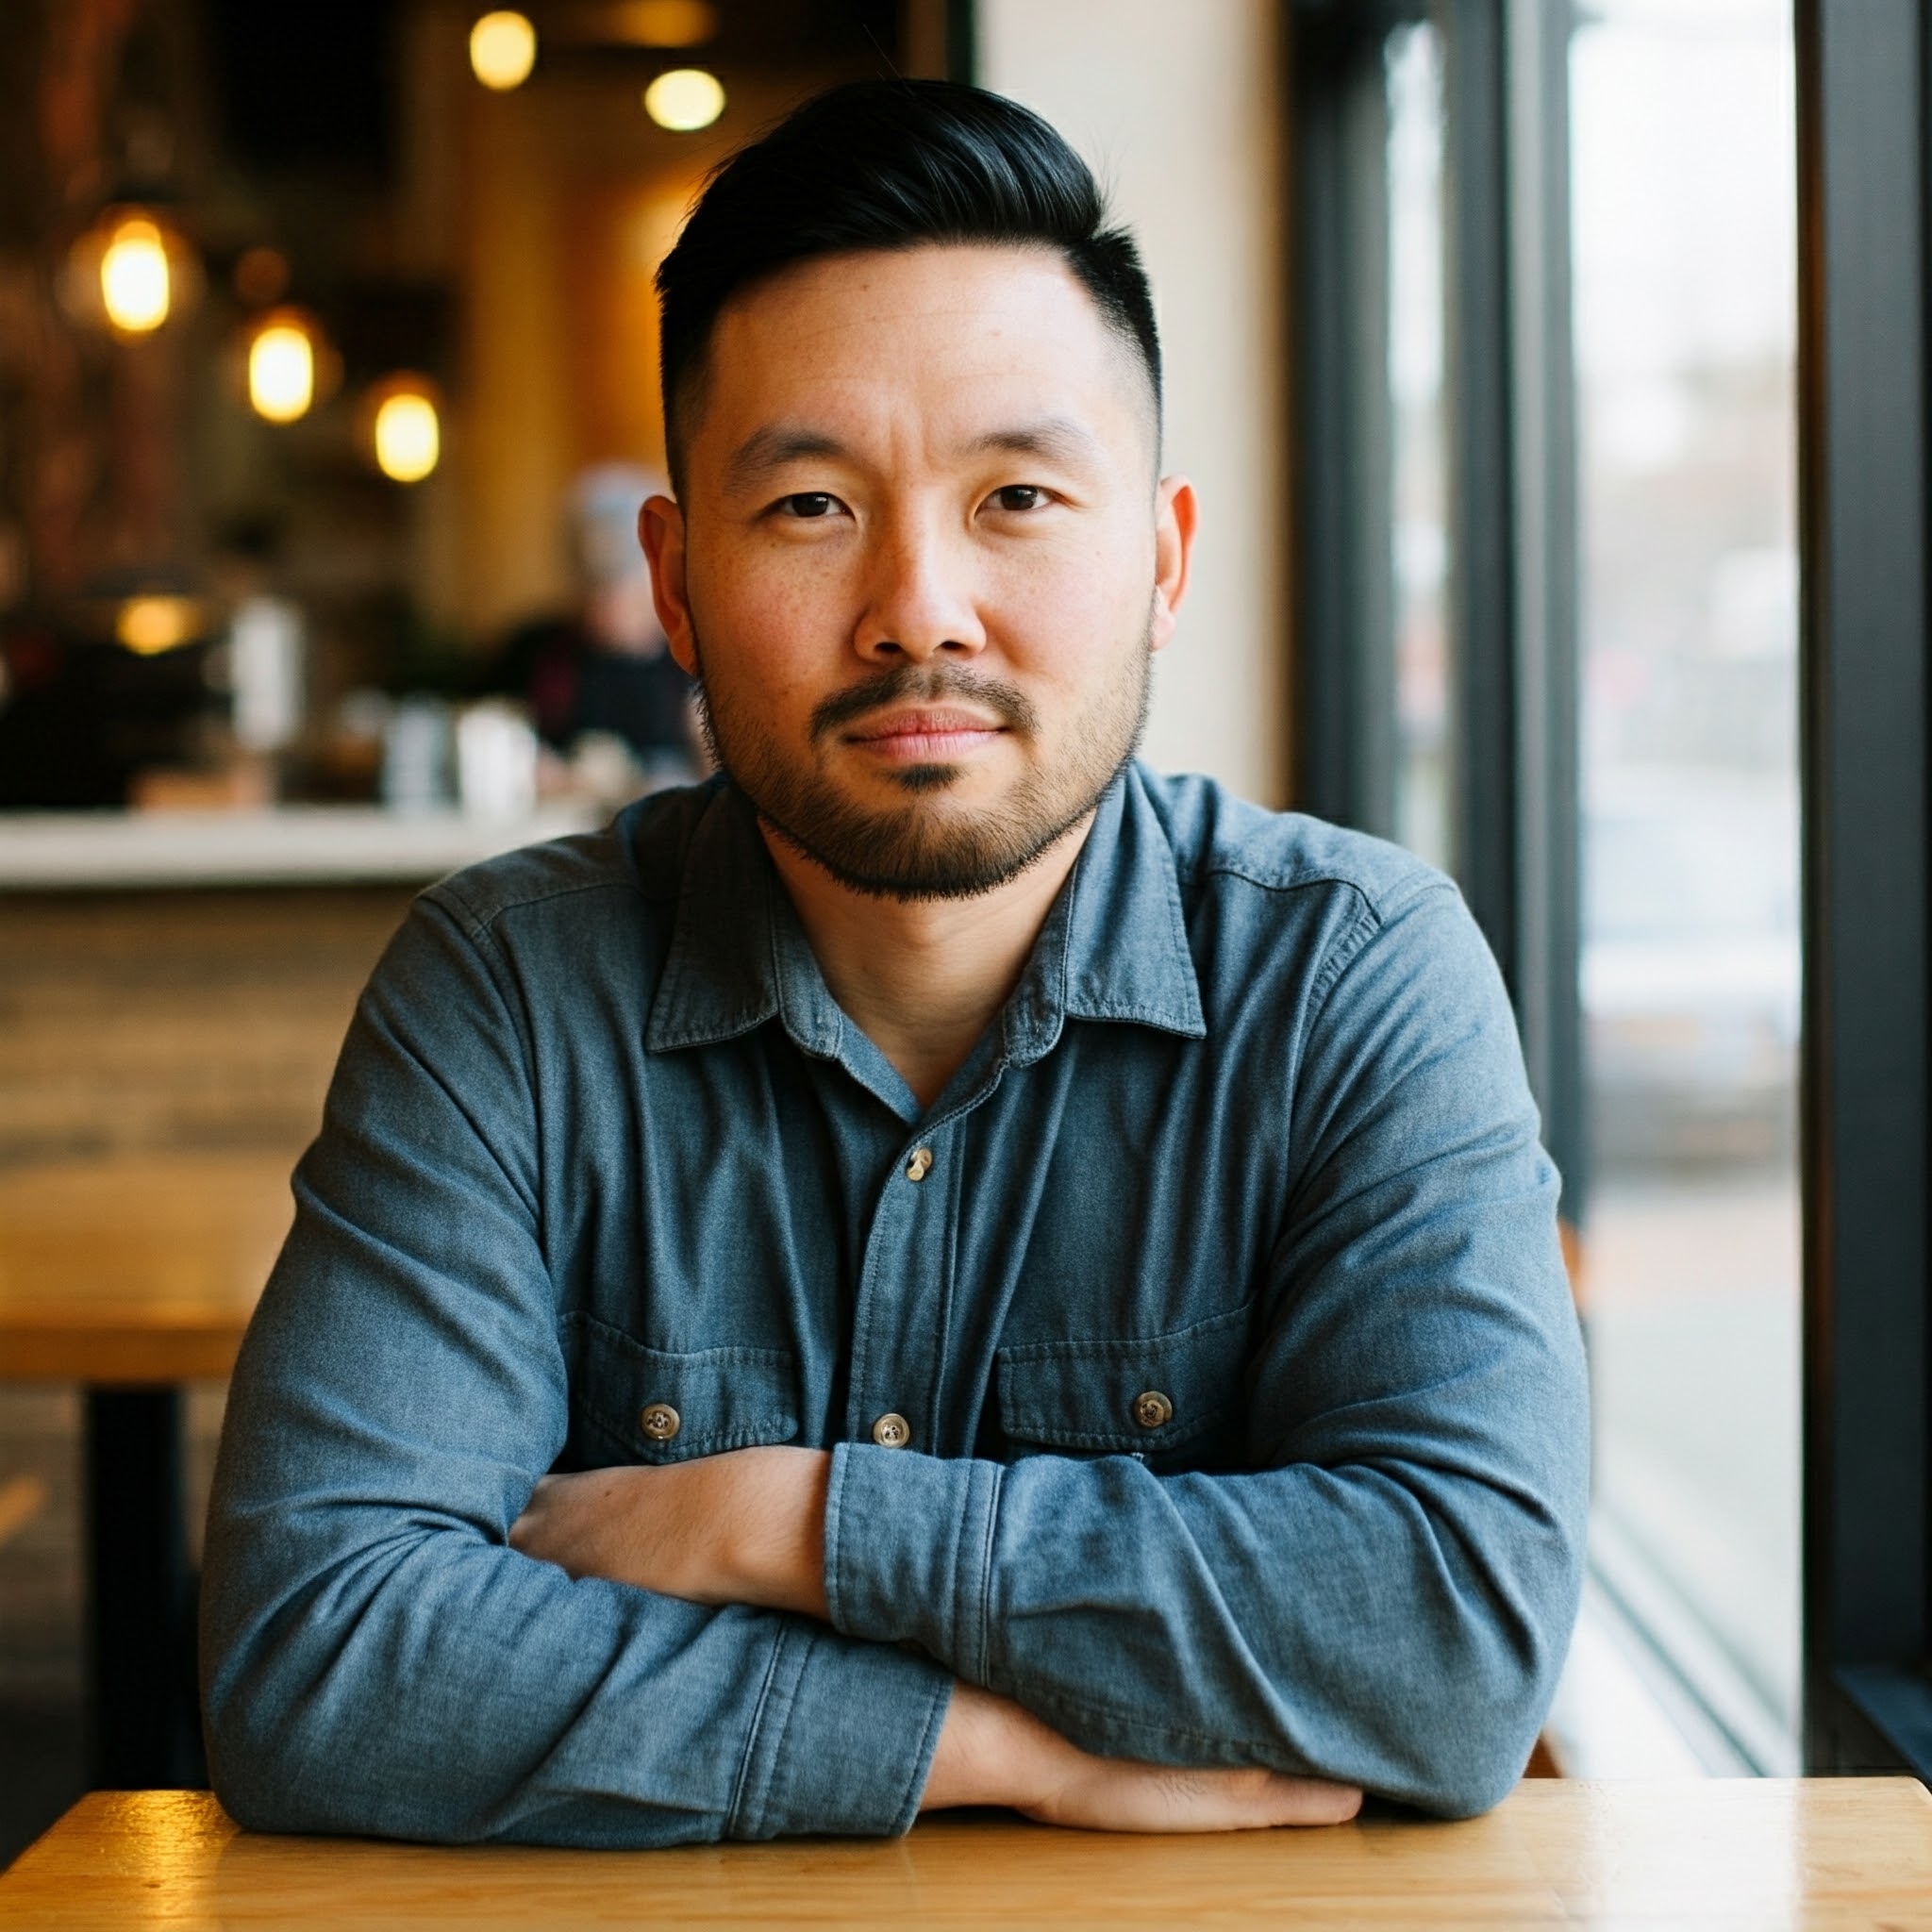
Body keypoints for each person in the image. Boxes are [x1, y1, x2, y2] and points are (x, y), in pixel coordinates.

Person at [201, 79, 1589, 1845]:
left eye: (1016, 493)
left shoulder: (1356, 975)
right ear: (678, 583)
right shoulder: (509, 989)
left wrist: (783, 1523)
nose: (919, 606)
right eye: (809, 508)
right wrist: (1010, 1753)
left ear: (1160, 560)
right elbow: (315, 1658)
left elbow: (1454, 1640)